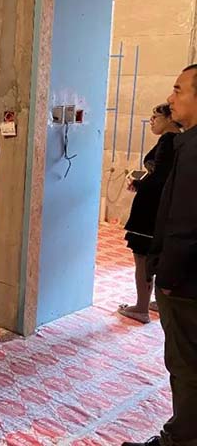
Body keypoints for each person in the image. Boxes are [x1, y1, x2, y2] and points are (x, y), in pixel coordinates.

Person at [123, 64, 197, 446]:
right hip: (182, 276)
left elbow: (185, 221)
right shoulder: (186, 144)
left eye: (179, 89)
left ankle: (178, 439)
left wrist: (166, 277)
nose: (171, 98)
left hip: (184, 284)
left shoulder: (192, 150)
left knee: (185, 367)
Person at [118, 103, 179, 324]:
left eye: (156, 116)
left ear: (170, 118)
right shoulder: (181, 141)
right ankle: (159, 302)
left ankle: (141, 308)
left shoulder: (168, 141)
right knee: (159, 257)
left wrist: (138, 184)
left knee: (143, 258)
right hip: (164, 209)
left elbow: (160, 179)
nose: (151, 121)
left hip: (150, 210)